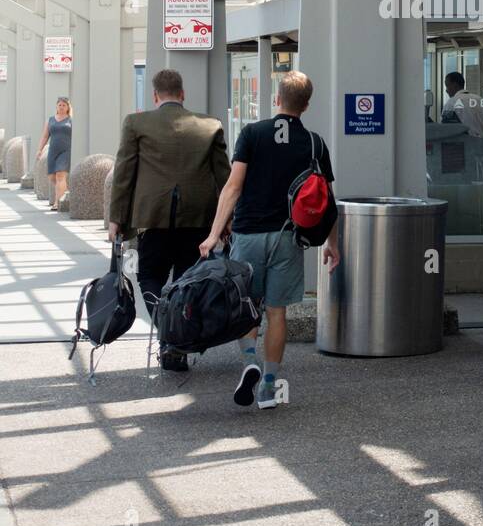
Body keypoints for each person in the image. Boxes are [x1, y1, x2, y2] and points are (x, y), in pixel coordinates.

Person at [199, 71, 339, 410]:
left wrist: (214, 234)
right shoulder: (315, 143)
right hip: (288, 237)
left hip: (247, 235)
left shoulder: (251, 134)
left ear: (276, 100)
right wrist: (331, 243)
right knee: (276, 312)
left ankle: (249, 362)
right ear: (306, 105)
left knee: (248, 307)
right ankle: (268, 385)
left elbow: (232, 188)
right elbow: (327, 200)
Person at [108, 68, 230, 372]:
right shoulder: (210, 125)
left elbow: (124, 174)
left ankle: (167, 329)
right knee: (186, 282)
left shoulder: (137, 123)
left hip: (154, 218)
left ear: (154, 95)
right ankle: (177, 337)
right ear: (183, 94)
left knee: (149, 276)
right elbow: (224, 177)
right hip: (198, 219)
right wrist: (227, 220)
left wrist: (116, 219)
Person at [441, 72, 483, 156]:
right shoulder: (479, 100)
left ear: (455, 85)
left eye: (447, 86)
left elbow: (444, 130)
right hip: (482, 151)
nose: (446, 90)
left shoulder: (450, 104)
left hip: (462, 152)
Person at [37, 97, 72, 210]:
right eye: (60, 105)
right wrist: (39, 150)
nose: (61, 107)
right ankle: (66, 193)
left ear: (68, 107)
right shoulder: (50, 120)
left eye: (64, 105)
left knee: (60, 175)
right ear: (56, 106)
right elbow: (45, 136)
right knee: (52, 177)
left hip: (66, 150)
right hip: (53, 151)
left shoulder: (71, 119)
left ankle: (58, 203)